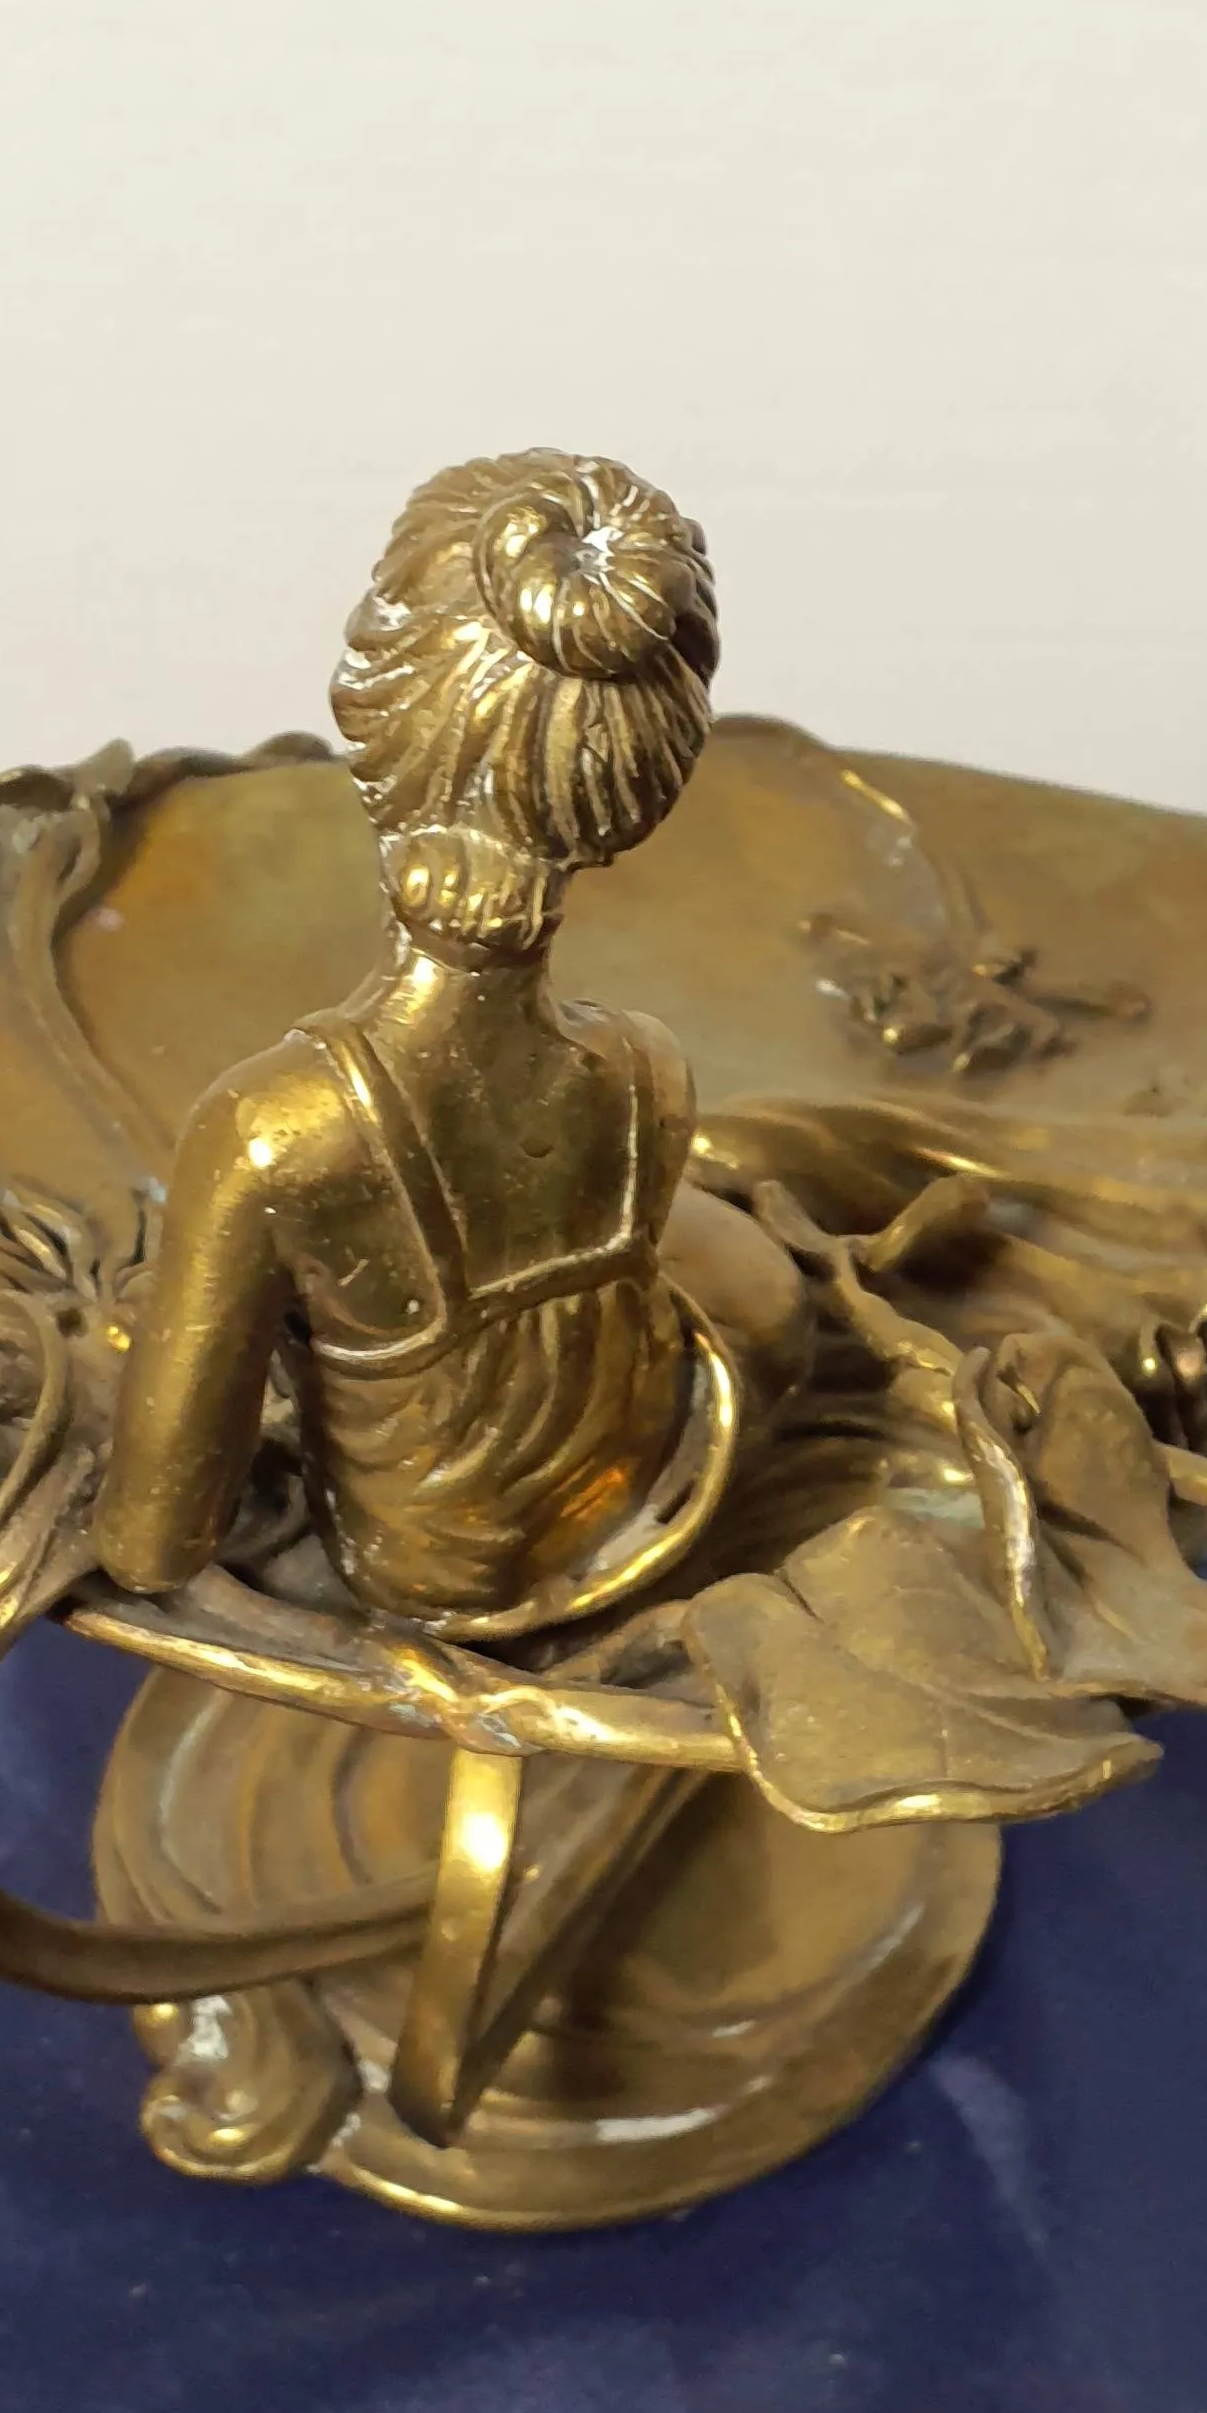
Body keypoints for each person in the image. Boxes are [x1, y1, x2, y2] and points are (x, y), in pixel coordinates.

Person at [94, 450, 804, 1626]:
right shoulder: (647, 1072)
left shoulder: (280, 1129)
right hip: (638, 1525)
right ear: (637, 785)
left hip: (420, 1584)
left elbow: (154, 1541)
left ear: (371, 706)